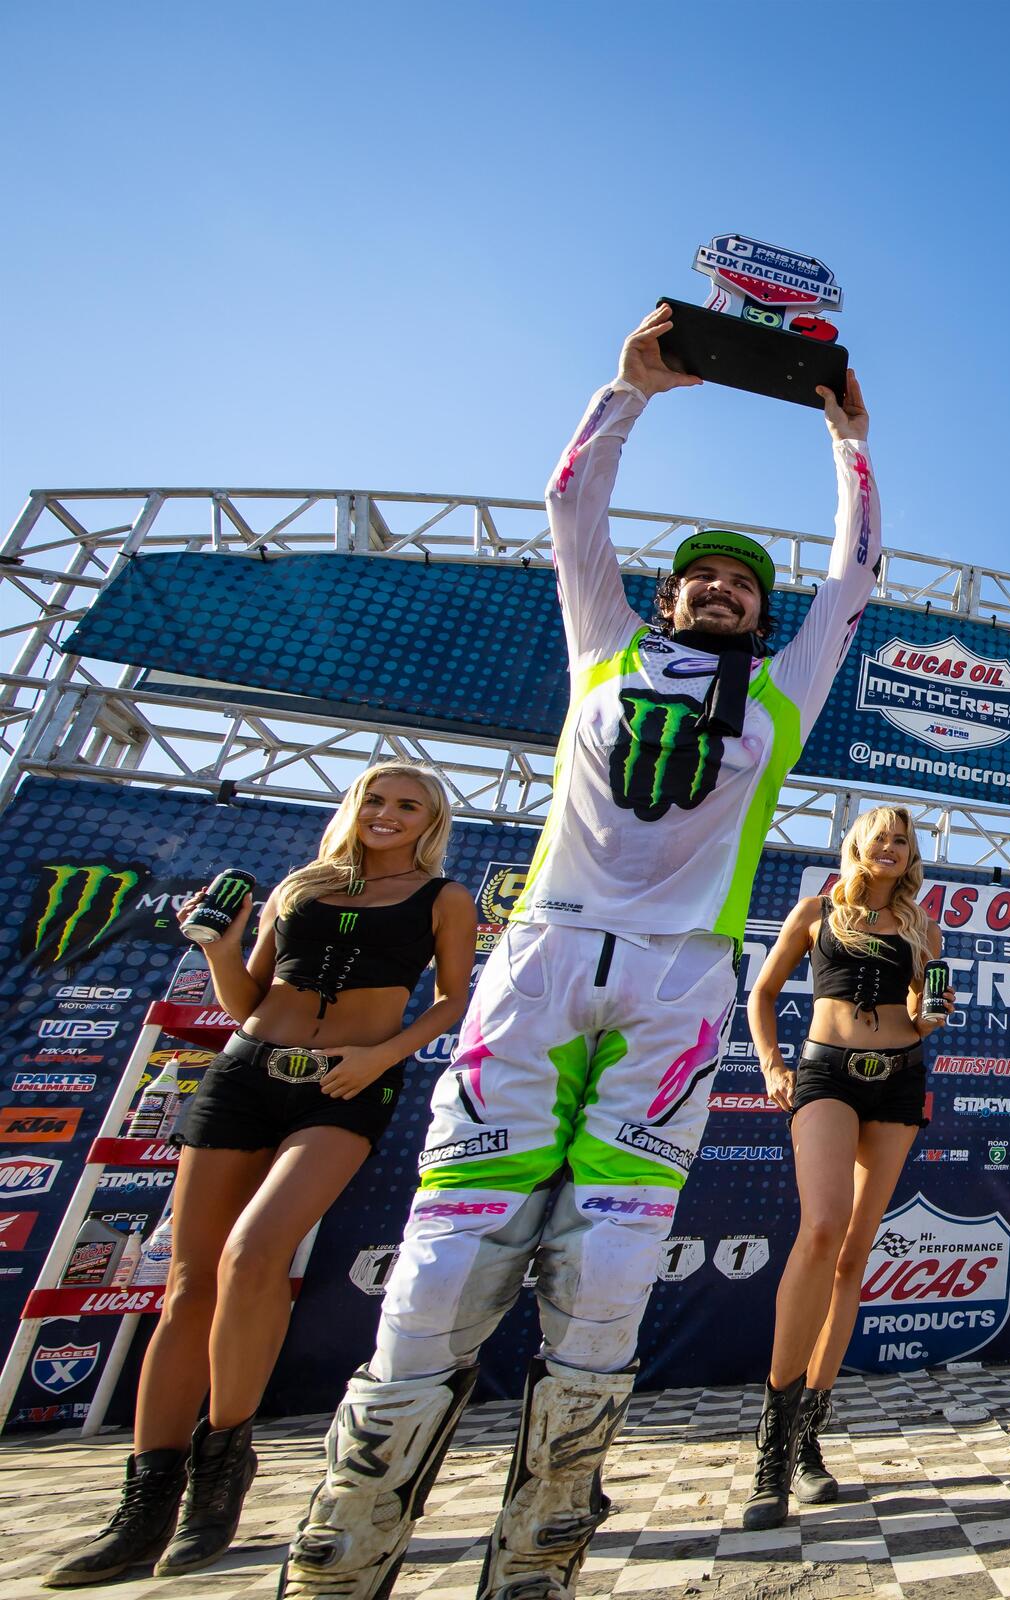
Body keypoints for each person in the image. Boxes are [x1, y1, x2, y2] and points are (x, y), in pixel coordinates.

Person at [281, 307, 883, 1600]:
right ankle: (340, 1562)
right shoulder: (603, 647)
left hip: (678, 984)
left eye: (742, 585)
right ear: (664, 599)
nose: (722, 586)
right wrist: (629, 393)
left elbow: (853, 586)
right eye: (699, 578)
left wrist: (849, 446)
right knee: (442, 1270)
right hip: (544, 961)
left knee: (608, 1278)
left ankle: (539, 1558)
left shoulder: (782, 693)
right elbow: (570, 513)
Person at [45, 767, 472, 1588]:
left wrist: (381, 1054)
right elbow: (246, 1004)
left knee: (254, 1256)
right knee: (187, 1283)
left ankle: (222, 1462)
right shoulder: (300, 884)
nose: (386, 814)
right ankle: (144, 1504)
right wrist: (220, 947)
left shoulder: (444, 896)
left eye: (406, 805)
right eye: (374, 800)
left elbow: (452, 1001)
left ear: (430, 821)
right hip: (243, 1075)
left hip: (348, 1086)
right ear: (353, 809)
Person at [742, 806, 953, 1526]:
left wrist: (932, 1013)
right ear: (857, 845)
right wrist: (771, 1063)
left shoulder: (925, 928)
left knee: (854, 1256)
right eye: (881, 837)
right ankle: (772, 1441)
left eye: (904, 841)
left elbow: (925, 1013)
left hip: (899, 1079)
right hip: (825, 1074)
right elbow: (764, 993)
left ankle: (808, 1440)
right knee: (823, 1228)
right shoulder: (814, 911)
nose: (892, 848)